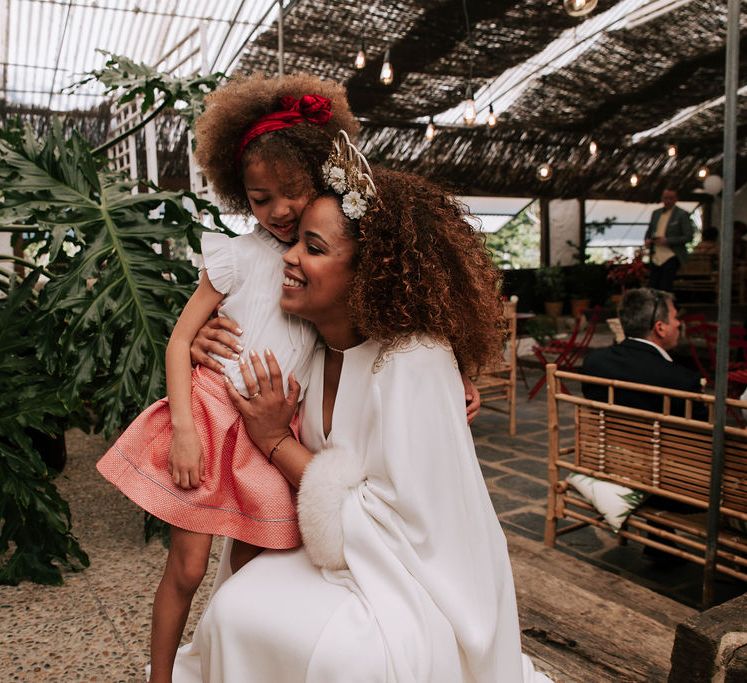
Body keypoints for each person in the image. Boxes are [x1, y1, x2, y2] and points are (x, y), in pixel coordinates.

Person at [174, 141, 551, 681]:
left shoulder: (414, 360)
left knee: (343, 659)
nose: (289, 256)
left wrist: (276, 442)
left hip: (415, 579)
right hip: (333, 555)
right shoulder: (308, 345)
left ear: (370, 272)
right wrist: (198, 343)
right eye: (296, 242)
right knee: (230, 613)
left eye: (314, 247)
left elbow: (406, 526)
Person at [96, 72, 360, 683]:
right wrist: (184, 428)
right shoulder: (237, 256)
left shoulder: (330, 261)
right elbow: (181, 339)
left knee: (254, 573)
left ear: (319, 177)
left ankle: (225, 665)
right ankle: (160, 678)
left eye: (291, 192)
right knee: (186, 570)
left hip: (270, 433)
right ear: (240, 197)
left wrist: (458, 373)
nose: (278, 211)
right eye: (260, 198)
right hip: (214, 420)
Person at [581, 287, 707, 420]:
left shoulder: (593, 363)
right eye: (675, 317)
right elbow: (704, 436)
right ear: (660, 328)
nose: (678, 323)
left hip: (606, 439)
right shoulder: (683, 382)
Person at [645, 188, 695, 291]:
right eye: (665, 198)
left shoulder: (682, 214)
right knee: (653, 285)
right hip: (656, 255)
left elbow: (689, 236)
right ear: (662, 198)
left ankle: (669, 307)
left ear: (676, 199)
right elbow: (649, 231)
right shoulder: (656, 213)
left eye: (671, 198)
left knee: (665, 286)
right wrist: (647, 240)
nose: (668, 201)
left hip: (671, 254)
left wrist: (668, 240)